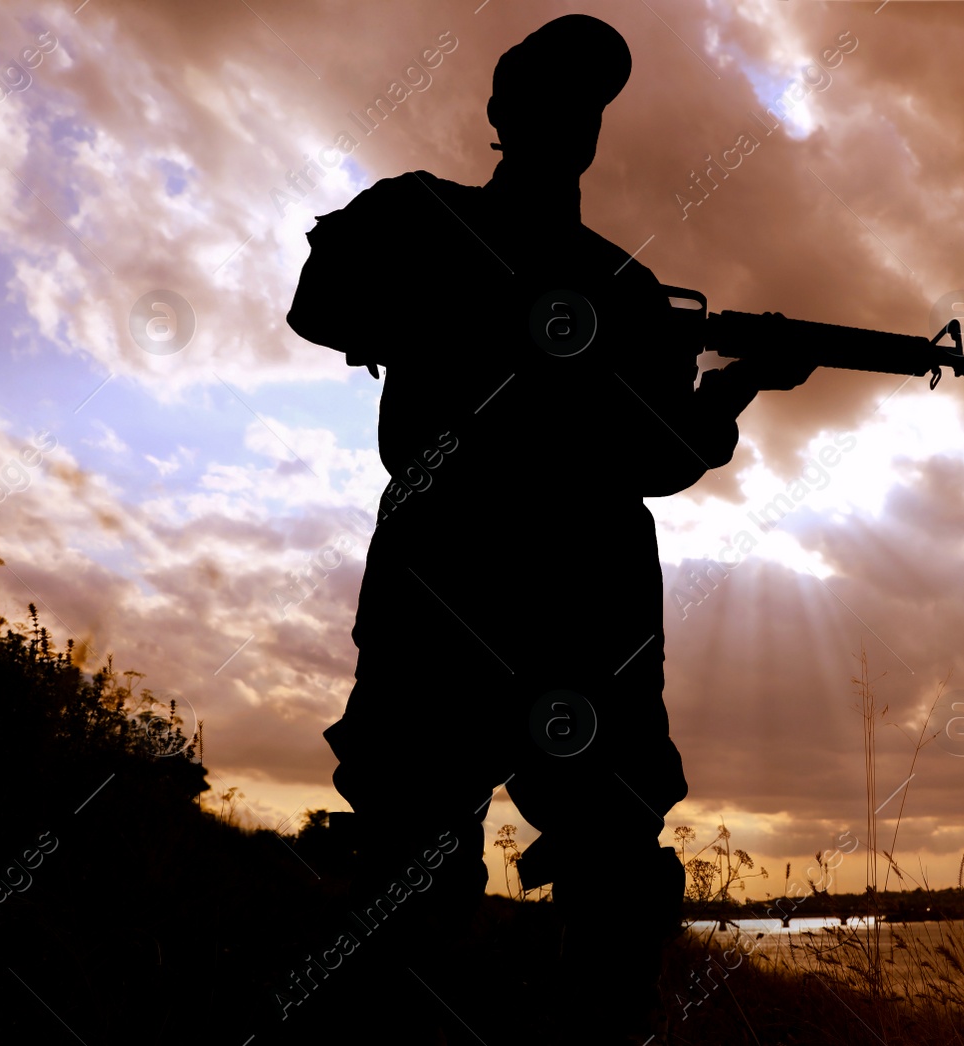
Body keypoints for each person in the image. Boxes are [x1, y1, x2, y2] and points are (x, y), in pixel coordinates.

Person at [286, 13, 812, 1043]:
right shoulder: (422, 218)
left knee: (610, 877)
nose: (569, 119)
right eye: (549, 96)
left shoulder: (625, 288)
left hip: (567, 604)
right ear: (500, 111)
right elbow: (319, 302)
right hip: (471, 590)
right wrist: (464, 313)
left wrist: (738, 379)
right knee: (407, 866)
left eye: (588, 103)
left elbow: (663, 456)